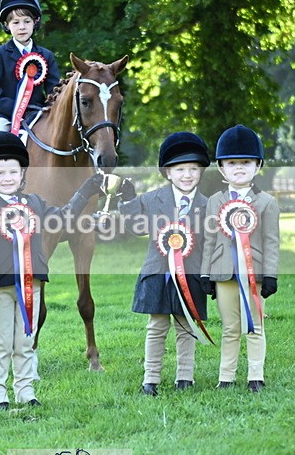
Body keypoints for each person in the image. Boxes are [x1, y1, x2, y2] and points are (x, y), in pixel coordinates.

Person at [0, 132, 102, 410]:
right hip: (1, 285)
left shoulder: (35, 204)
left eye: (13, 172)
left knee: (25, 341)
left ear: (22, 174)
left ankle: (25, 390)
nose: (7, 178)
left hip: (32, 284)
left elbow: (63, 217)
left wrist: (85, 192)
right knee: (2, 341)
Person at [116, 132, 213, 396]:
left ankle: (185, 377)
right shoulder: (152, 199)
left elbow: (210, 244)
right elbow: (134, 226)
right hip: (158, 274)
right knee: (157, 327)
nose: (187, 175)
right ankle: (151, 379)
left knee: (186, 327)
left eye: (193, 169)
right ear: (168, 173)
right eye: (180, 169)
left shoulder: (207, 205)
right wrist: (126, 199)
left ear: (201, 172)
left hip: (190, 276)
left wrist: (209, 276)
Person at [200, 125, 280, 393]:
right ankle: (226, 377)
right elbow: (209, 241)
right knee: (230, 327)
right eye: (232, 163)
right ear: (221, 169)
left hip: (253, 272)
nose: (239, 169)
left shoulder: (267, 202)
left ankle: (256, 376)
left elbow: (271, 241)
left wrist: (270, 274)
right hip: (223, 272)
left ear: (257, 166)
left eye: (245, 163)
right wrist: (205, 275)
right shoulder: (215, 201)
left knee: (255, 325)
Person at [0, 0, 61, 135]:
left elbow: (54, 91)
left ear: (35, 22)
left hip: (39, 115)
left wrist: (46, 109)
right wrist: (18, 108)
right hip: (5, 117)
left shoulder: (46, 55)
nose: (22, 27)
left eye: (27, 21)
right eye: (16, 22)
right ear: (7, 25)